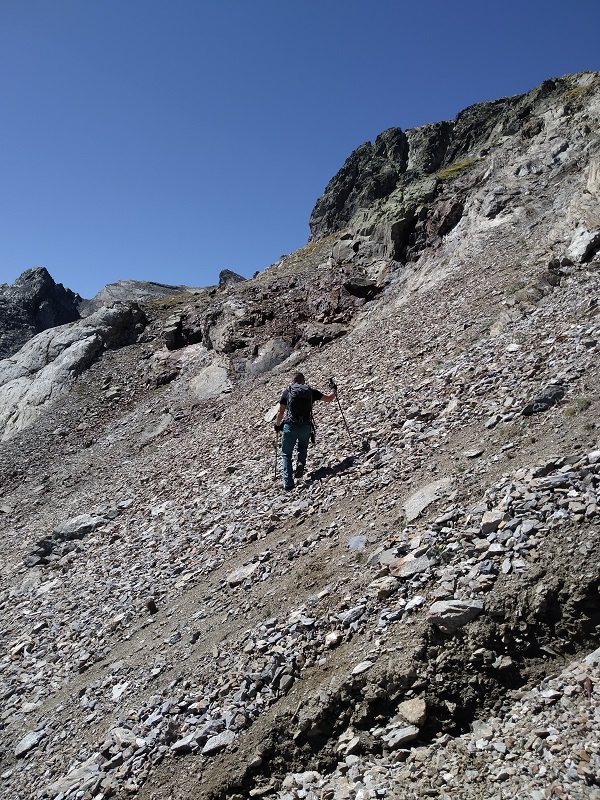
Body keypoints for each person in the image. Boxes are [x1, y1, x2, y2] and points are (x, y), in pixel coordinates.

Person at [274, 372, 335, 490]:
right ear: (304, 381)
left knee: (286, 454)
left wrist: (277, 425)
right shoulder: (310, 391)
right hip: (306, 426)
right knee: (302, 447)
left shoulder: (288, 391)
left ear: (293, 381)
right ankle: (301, 462)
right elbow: (329, 399)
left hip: (290, 426)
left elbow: (280, 412)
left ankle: (289, 483)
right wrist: (333, 389)